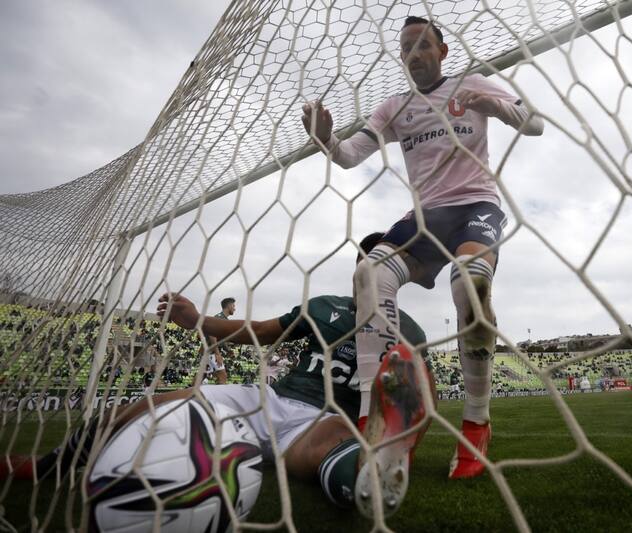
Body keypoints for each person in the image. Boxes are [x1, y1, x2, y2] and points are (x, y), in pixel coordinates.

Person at [2, 234, 432, 517]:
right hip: (267, 398)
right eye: (369, 259)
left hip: (325, 417)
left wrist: (409, 423)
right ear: (359, 266)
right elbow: (261, 331)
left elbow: (418, 394)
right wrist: (197, 321)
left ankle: (372, 473)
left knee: (329, 453)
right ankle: (48, 464)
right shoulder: (324, 306)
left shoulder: (411, 333)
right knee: (151, 405)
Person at [301, 15, 543, 480]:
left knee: (470, 286)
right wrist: (325, 138)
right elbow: (348, 157)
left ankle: (476, 423)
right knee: (369, 273)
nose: (413, 54)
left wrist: (492, 105)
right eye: (406, 48)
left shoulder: (471, 83)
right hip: (425, 218)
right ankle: (377, 418)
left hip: (475, 207)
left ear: (442, 51)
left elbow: (534, 124)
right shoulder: (394, 107)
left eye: (422, 45)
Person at [204, 297, 236, 384]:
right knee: (223, 376)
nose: (235, 308)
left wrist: (228, 350)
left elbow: (220, 339)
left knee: (201, 377)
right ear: (229, 306)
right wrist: (217, 354)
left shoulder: (224, 319)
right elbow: (212, 335)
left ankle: (190, 391)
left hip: (208, 352)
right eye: (233, 306)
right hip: (211, 352)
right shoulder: (220, 318)